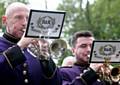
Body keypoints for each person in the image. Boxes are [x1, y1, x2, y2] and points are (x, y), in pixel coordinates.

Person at [0, 2, 62, 85]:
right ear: (4, 20)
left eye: (28, 18)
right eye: (18, 17)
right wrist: (20, 46)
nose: (25, 23)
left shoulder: (34, 49)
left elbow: (57, 82)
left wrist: (46, 59)